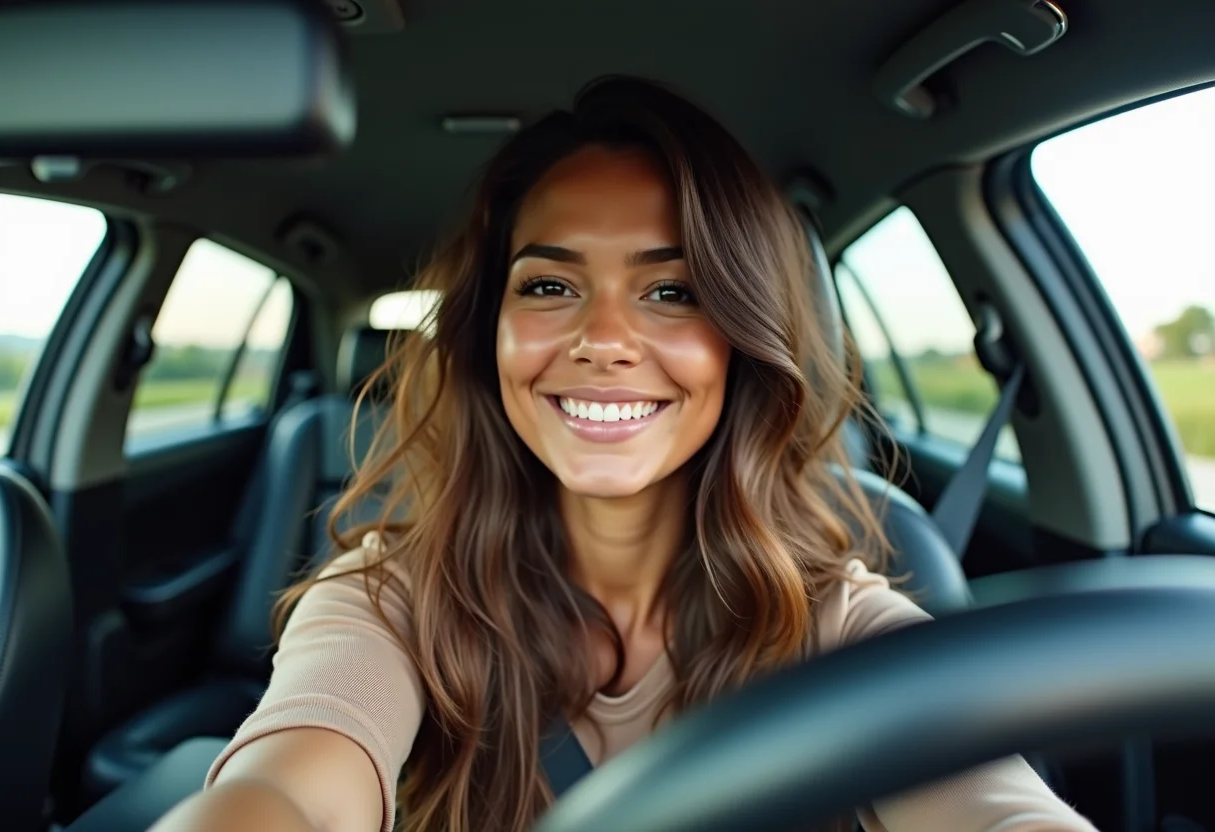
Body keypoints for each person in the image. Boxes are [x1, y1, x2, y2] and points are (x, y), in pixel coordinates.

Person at [152, 76, 1098, 832]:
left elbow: (997, 810)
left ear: (743, 340)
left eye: (674, 292)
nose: (603, 339)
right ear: (491, 334)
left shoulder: (835, 626)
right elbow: (295, 792)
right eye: (551, 284)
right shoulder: (388, 602)